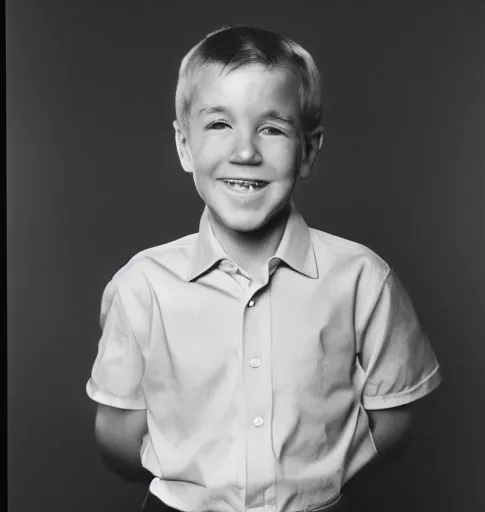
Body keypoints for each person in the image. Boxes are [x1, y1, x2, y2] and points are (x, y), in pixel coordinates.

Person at [86, 25, 442, 512]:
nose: (246, 151)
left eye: (272, 128)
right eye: (218, 125)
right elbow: (119, 437)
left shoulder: (362, 279)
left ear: (308, 150)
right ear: (185, 146)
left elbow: (393, 426)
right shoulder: (142, 285)